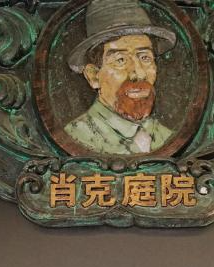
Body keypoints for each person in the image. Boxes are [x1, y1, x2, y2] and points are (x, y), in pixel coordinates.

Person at [64, 0, 176, 154]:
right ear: (93, 76)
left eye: (145, 58)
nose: (139, 74)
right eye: (120, 60)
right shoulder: (76, 137)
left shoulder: (167, 137)